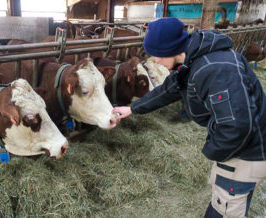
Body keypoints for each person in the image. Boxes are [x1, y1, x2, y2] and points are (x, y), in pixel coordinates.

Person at [112, 17, 266, 217]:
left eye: (157, 54)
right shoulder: (194, 59)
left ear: (171, 48)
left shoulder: (216, 69)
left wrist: (212, 151)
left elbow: (237, 127)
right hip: (244, 145)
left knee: (224, 211)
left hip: (247, 153)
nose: (155, 60)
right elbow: (170, 89)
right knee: (223, 202)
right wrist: (132, 108)